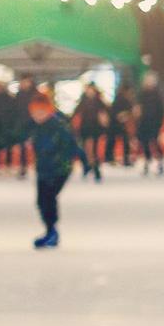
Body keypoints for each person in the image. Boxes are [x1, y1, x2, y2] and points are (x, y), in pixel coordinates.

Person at [27, 92, 87, 248]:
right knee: (42, 201)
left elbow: (73, 144)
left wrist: (85, 162)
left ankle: (52, 232)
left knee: (48, 199)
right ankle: (50, 231)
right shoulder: (35, 127)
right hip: (43, 169)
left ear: (49, 111)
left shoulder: (59, 126)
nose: (37, 116)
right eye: (35, 113)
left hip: (59, 169)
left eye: (41, 112)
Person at [73, 83, 107, 180]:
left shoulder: (99, 102)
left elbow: (104, 113)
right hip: (84, 128)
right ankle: (87, 166)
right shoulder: (82, 102)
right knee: (84, 149)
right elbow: (76, 114)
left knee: (95, 150)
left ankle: (96, 169)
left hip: (95, 128)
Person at [136, 72, 164, 176]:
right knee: (145, 143)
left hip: (154, 123)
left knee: (154, 142)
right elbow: (138, 108)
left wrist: (159, 123)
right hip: (144, 123)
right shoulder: (142, 95)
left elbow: (161, 111)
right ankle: (147, 163)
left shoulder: (157, 96)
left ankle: (160, 162)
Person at [106, 83, 135, 167]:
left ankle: (120, 158)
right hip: (116, 124)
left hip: (121, 124)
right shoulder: (120, 99)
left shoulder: (125, 99)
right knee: (115, 140)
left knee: (121, 141)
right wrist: (121, 115)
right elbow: (115, 112)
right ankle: (111, 158)